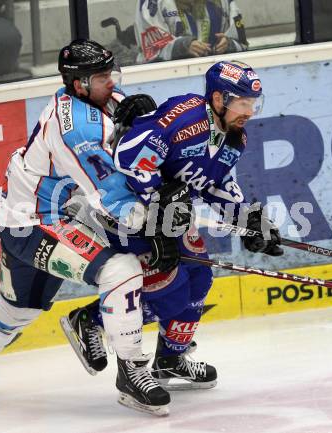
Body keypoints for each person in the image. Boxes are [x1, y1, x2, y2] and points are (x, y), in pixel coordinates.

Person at [0, 39, 172, 417]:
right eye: (102, 76)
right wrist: (156, 226)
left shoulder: (94, 97)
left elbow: (119, 143)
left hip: (28, 214)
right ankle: (132, 373)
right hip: (36, 222)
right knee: (121, 269)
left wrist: (144, 119)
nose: (111, 82)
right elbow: (112, 196)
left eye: (112, 73)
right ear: (79, 84)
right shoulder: (76, 129)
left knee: (19, 307)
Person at [63, 60, 283, 390]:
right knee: (170, 286)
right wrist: (161, 197)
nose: (249, 111)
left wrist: (245, 219)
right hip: (127, 210)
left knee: (199, 275)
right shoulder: (185, 118)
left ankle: (170, 359)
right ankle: (89, 320)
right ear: (219, 100)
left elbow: (212, 184)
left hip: (166, 216)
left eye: (253, 103)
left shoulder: (235, 139)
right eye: (242, 103)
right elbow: (127, 153)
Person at [135, 0, 247, 63]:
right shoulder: (152, 3)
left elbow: (242, 44)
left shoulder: (225, 2)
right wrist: (181, 47)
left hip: (217, 76)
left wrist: (229, 44)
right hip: (170, 79)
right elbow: (149, 51)